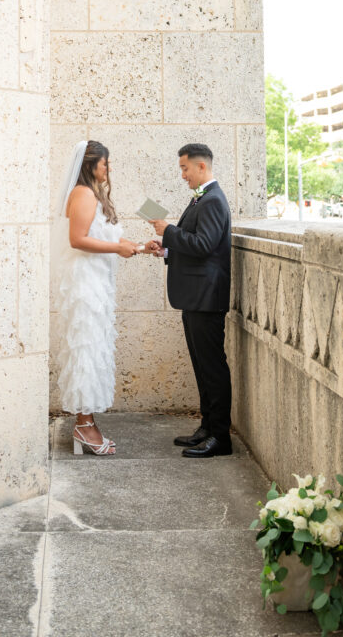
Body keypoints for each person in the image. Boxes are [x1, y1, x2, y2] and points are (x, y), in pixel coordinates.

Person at [52, 139, 156, 456]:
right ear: (90, 165)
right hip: (85, 286)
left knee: (94, 348)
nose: (108, 169)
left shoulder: (93, 195)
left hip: (96, 283)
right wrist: (117, 249)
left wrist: (138, 246)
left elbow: (107, 237)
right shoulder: (83, 194)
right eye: (105, 164)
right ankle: (84, 426)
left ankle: (87, 422)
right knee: (86, 349)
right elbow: (78, 239)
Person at [150, 143, 233, 458]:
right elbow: (198, 247)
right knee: (201, 366)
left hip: (206, 298)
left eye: (185, 168)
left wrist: (169, 230)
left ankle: (221, 438)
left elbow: (204, 245)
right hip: (195, 297)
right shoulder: (202, 198)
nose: (182, 175)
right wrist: (167, 248)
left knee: (213, 368)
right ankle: (207, 427)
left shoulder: (212, 200)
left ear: (201, 167)